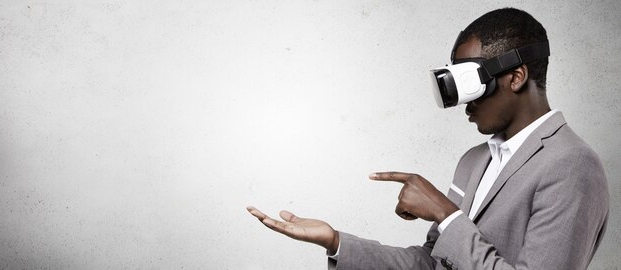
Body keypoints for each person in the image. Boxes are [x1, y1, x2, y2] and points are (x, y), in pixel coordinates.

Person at [246, 7, 609, 270]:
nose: (461, 105)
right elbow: (432, 263)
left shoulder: (572, 165)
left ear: (515, 77)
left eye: (471, 84)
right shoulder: (474, 161)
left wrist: (445, 214)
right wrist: (337, 241)